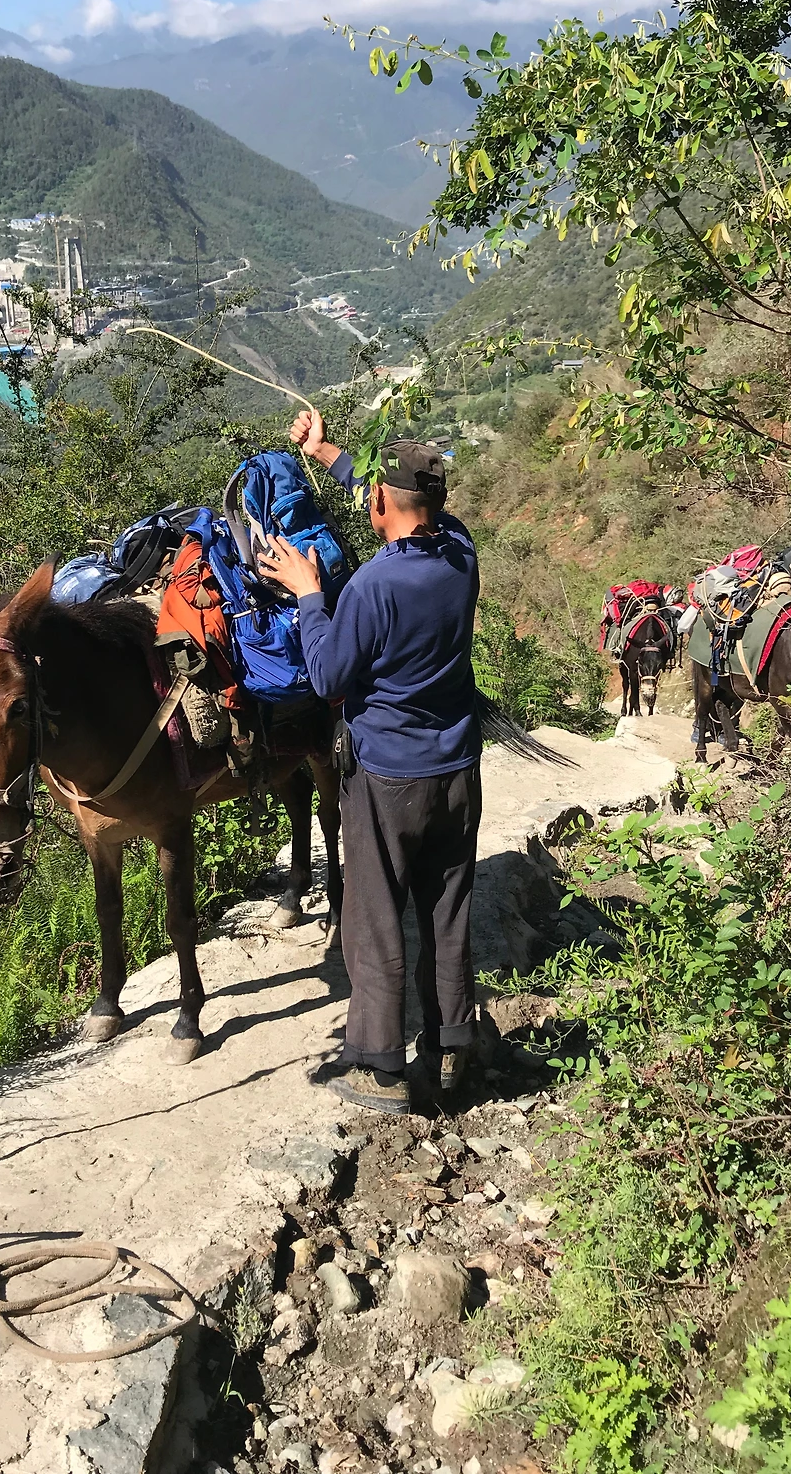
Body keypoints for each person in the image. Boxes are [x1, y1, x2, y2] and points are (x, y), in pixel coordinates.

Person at [255, 408, 482, 1115]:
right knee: (447, 908)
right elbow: (394, 500)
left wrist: (309, 595)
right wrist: (327, 452)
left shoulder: (371, 587)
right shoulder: (461, 551)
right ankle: (450, 1045)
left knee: (375, 914)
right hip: (457, 767)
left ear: (383, 502)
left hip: (387, 775)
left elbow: (328, 675)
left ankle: (379, 1065)